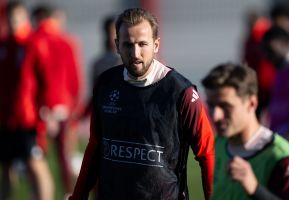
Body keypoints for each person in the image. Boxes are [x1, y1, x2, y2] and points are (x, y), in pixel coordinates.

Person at [69, 8, 215, 200]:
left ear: (156, 45)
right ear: (117, 45)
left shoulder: (182, 93)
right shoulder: (105, 84)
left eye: (142, 44)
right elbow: (96, 145)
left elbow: (207, 154)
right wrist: (78, 196)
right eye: (128, 45)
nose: (135, 53)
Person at [17, 3, 83, 196]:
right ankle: (70, 194)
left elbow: (30, 80)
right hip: (64, 107)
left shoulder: (31, 41)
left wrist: (43, 106)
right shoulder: (68, 41)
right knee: (64, 156)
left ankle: (38, 194)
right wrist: (72, 108)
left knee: (37, 159)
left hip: (40, 109)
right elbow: (75, 80)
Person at [201, 63, 289, 200]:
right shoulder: (217, 144)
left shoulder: (281, 157)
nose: (215, 116)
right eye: (211, 106)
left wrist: (255, 189)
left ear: (251, 103)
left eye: (225, 106)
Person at [0, 1, 54, 200]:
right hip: (6, 118)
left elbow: (46, 78)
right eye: (10, 19)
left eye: (17, 19)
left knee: (35, 163)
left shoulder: (34, 43)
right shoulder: (4, 45)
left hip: (28, 118)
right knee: (6, 166)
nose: (14, 23)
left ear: (25, 19)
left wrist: (46, 107)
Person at [262, 26, 289, 140]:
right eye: (265, 50)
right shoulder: (279, 71)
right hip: (277, 138)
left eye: (270, 50)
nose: (267, 55)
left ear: (286, 44)